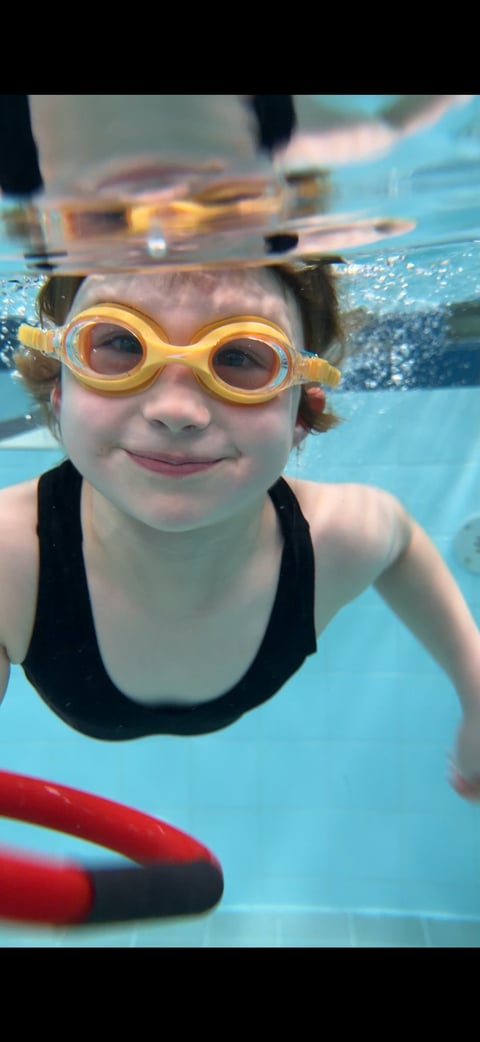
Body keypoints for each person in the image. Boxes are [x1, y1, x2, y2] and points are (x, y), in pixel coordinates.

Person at [2, 258, 480, 803]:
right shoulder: (8, 562)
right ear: (60, 392)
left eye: (239, 357)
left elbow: (399, 542)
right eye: (121, 345)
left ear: (301, 416)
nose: (176, 411)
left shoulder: (335, 538)